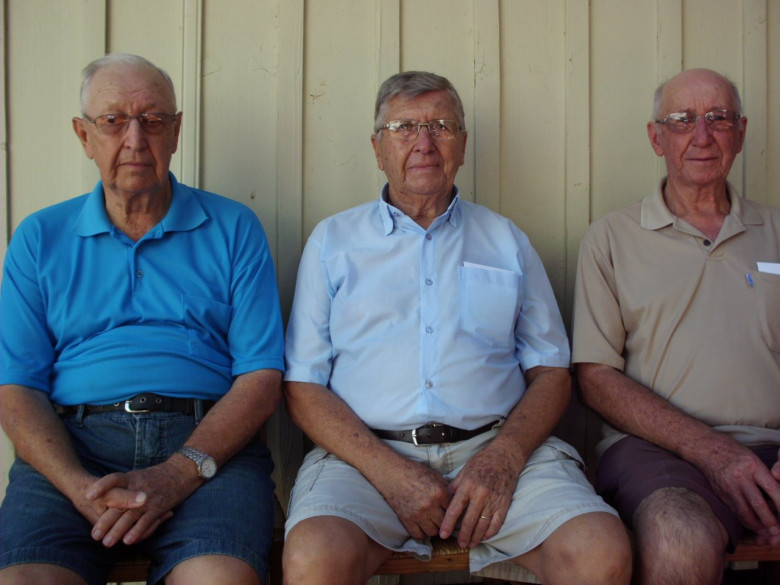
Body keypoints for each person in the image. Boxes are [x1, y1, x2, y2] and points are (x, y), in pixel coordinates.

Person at [281, 70, 631, 585]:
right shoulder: (333, 242)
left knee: (599, 550)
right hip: (365, 458)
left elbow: (553, 371)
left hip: (496, 448)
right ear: (378, 148)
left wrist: (505, 457)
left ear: (462, 145)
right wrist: (387, 471)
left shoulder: (505, 239)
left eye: (441, 126)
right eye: (404, 128)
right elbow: (303, 385)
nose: (424, 143)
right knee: (313, 559)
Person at [0, 53, 285, 585]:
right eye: (113, 121)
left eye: (153, 121)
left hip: (205, 444)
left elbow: (261, 378)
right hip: (74, 444)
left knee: (221, 579)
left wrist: (179, 473)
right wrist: (80, 489)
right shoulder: (39, 237)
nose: (135, 139)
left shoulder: (233, 227)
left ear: (175, 132)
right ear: (84, 136)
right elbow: (16, 389)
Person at [572, 68, 780, 585]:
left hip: (774, 448)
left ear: (741, 131)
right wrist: (714, 452)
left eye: (718, 118)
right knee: (677, 535)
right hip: (660, 455)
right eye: (683, 120)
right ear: (656, 137)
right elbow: (595, 377)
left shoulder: (776, 232)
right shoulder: (612, 238)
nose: (702, 136)